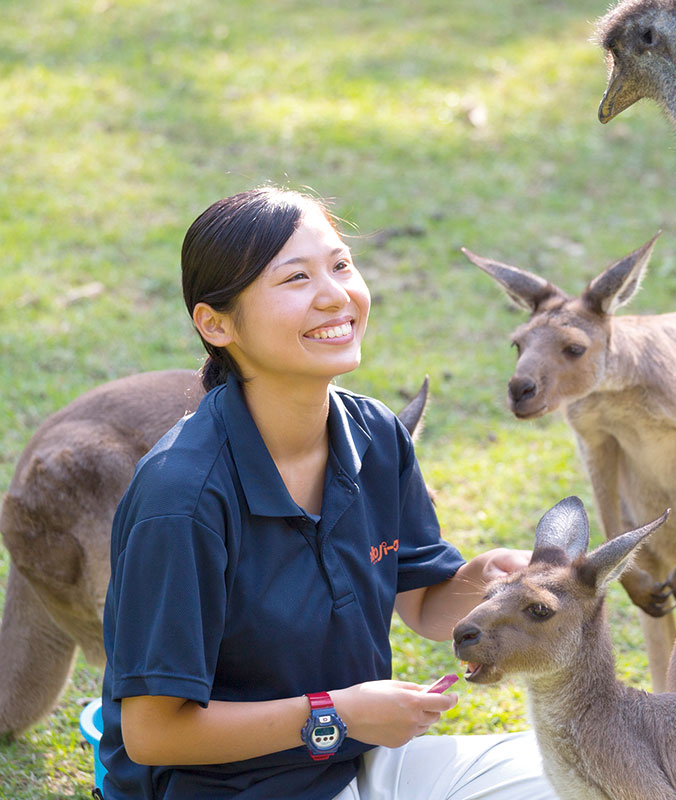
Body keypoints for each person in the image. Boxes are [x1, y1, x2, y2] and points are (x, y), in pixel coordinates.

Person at [98, 186, 558, 799]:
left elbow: (422, 603)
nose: (335, 295)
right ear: (216, 323)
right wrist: (336, 713)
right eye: (294, 279)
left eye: (341, 265)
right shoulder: (181, 498)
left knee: (571, 781)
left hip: (352, 767)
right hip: (220, 789)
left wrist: (491, 581)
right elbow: (153, 735)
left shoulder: (375, 436)